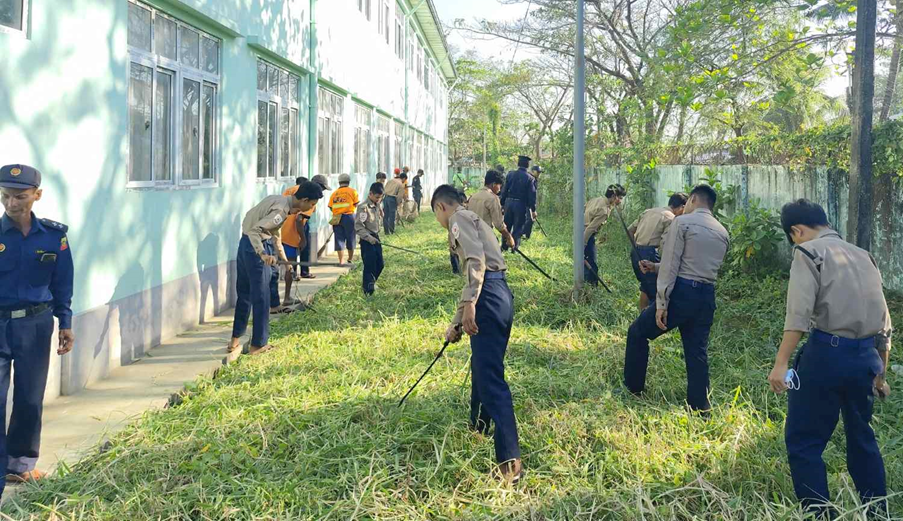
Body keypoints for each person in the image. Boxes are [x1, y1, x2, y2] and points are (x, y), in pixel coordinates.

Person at [767, 199, 892, 518]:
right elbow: (884, 323)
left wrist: (781, 364)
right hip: (865, 358)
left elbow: (798, 314)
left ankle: (820, 515)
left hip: (826, 355)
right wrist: (881, 373)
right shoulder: (864, 256)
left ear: (797, 231)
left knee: (804, 441)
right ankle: (878, 513)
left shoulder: (808, 252)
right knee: (862, 437)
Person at [432, 184, 522, 484]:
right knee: (482, 367)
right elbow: (479, 273)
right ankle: (479, 426)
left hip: (488, 297)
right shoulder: (474, 218)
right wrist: (457, 322)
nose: (440, 221)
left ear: (440, 207)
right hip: (498, 293)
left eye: (437, 215)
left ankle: (510, 464)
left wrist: (470, 303)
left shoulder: (457, 219)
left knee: (491, 379)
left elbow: (475, 262)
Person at [0, 165, 74, 492]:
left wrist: (65, 322)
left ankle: (20, 464)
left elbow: (63, 282)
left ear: (37, 195)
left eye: (20, 196)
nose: (11, 203)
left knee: (30, 398)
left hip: (36, 324)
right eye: (5, 196)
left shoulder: (54, 236)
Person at [623, 185, 728, 413]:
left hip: (681, 293)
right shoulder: (722, 231)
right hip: (706, 296)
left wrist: (661, 303)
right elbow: (694, 264)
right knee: (697, 351)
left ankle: (632, 388)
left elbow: (672, 264)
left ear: (692, 199)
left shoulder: (682, 222)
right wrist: (655, 267)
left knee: (637, 332)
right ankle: (700, 406)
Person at [228, 182, 323, 355]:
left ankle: (235, 339)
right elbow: (256, 230)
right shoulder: (280, 211)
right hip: (257, 247)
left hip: (245, 244)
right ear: (304, 200)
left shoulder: (278, 200)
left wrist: (285, 261)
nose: (311, 208)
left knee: (245, 294)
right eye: (312, 204)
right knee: (262, 297)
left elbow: (274, 233)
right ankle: (258, 344)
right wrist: (263, 253)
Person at [276, 174, 331, 307]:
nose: (322, 193)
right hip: (291, 234)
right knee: (289, 267)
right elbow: (299, 219)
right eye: (323, 189)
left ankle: (273, 300)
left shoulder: (292, 190)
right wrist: (303, 239)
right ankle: (286, 297)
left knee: (274, 268)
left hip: (277, 230)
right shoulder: (311, 197)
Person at [627, 192, 688, 310]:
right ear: (682, 207)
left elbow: (630, 230)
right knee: (657, 292)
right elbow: (666, 245)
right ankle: (651, 318)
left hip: (635, 251)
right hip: (650, 254)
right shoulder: (671, 218)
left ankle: (642, 315)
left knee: (645, 286)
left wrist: (636, 247)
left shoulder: (648, 211)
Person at [583, 184, 626, 285]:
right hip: (586, 235)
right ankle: (591, 286)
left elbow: (584, 208)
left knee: (586, 260)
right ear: (613, 196)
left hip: (581, 231)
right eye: (620, 198)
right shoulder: (603, 211)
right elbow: (590, 229)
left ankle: (585, 283)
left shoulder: (597, 199)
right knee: (591, 262)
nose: (620, 201)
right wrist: (583, 244)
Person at [467, 170, 515, 249]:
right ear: (493, 184)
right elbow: (499, 224)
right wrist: (509, 237)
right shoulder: (492, 198)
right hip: (484, 238)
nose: (499, 189)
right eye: (499, 186)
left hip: (470, 236)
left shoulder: (473, 197)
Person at [498, 156, 535, 250]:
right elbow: (532, 195)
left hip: (509, 202)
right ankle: (514, 248)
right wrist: (533, 209)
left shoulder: (510, 174)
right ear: (527, 165)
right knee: (518, 226)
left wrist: (502, 203)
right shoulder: (530, 178)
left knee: (507, 225)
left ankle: (504, 246)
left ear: (518, 164)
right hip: (520, 204)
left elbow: (504, 190)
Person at [355, 183, 385, 296]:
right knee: (369, 265)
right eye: (377, 197)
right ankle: (368, 291)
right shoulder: (363, 207)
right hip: (367, 240)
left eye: (380, 197)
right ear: (370, 193)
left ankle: (371, 283)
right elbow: (358, 227)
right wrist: (368, 238)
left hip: (376, 237)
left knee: (380, 264)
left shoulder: (377, 204)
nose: (378, 199)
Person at [329, 174, 358, 267]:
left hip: (337, 218)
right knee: (351, 237)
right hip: (349, 217)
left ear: (339, 182)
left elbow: (330, 207)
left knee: (339, 238)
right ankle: (349, 259)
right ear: (348, 182)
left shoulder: (334, 193)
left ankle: (341, 261)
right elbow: (356, 204)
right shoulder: (353, 191)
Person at [523, 165, 542, 241]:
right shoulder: (529, 178)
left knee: (530, 220)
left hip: (529, 203)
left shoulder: (535, 179)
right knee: (530, 219)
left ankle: (526, 236)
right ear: (533, 171)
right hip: (525, 202)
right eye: (538, 172)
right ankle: (521, 233)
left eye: (540, 172)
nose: (539, 174)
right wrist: (533, 209)